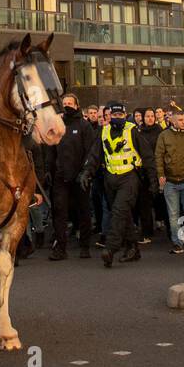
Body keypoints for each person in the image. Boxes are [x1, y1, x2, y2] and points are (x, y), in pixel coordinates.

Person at [79, 103, 142, 267]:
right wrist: (87, 172)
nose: (117, 118)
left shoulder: (132, 130)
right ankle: (133, 247)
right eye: (114, 116)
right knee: (124, 214)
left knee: (118, 211)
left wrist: (154, 178)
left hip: (129, 177)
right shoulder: (104, 132)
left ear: (125, 115)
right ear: (109, 116)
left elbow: (147, 154)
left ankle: (111, 248)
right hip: (111, 180)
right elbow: (95, 155)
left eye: (120, 115)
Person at [48, 93, 95, 260]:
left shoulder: (84, 125)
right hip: (61, 176)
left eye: (70, 103)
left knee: (83, 212)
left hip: (80, 176)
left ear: (77, 106)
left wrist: (86, 172)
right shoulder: (58, 126)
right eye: (64, 103)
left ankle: (85, 246)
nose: (67, 105)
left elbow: (91, 151)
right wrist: (50, 171)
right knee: (59, 211)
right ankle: (60, 248)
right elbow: (51, 150)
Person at [155, 109, 184, 253]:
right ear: (173, 121)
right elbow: (158, 156)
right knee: (173, 214)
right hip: (170, 181)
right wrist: (160, 175)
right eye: (181, 120)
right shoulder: (163, 135)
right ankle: (178, 243)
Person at [132, 107, 162, 243]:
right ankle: (145, 230)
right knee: (142, 202)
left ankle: (156, 226)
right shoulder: (138, 132)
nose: (150, 118)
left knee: (154, 200)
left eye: (152, 115)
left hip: (155, 169)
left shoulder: (159, 132)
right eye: (147, 116)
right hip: (140, 171)